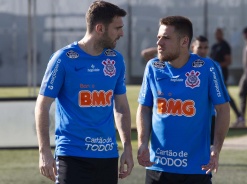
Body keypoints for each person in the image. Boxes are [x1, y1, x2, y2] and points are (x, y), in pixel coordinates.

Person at [34, 1, 134, 184]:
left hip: (107, 156)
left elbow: (120, 106)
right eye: (117, 28)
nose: (122, 33)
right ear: (99, 28)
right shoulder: (63, 59)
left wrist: (127, 146)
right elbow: (43, 105)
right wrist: (44, 151)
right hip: (72, 156)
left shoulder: (116, 60)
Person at [136, 16, 230, 184]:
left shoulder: (207, 68)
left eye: (166, 38)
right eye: (158, 37)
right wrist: (143, 142)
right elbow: (144, 108)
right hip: (158, 167)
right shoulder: (153, 67)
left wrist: (216, 147)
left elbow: (223, 109)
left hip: (196, 168)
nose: (159, 43)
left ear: (184, 41)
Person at [210, 28, 244, 127]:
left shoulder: (225, 46)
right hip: (213, 75)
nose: (218, 35)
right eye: (216, 34)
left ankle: (239, 116)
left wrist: (217, 66)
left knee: (225, 96)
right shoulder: (214, 46)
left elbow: (228, 61)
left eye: (219, 33)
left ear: (222, 34)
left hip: (221, 75)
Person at [191, 35, 216, 145]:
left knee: (208, 151)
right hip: (188, 115)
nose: (203, 51)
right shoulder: (183, 65)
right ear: (193, 47)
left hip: (208, 116)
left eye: (205, 48)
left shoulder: (213, 66)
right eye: (200, 47)